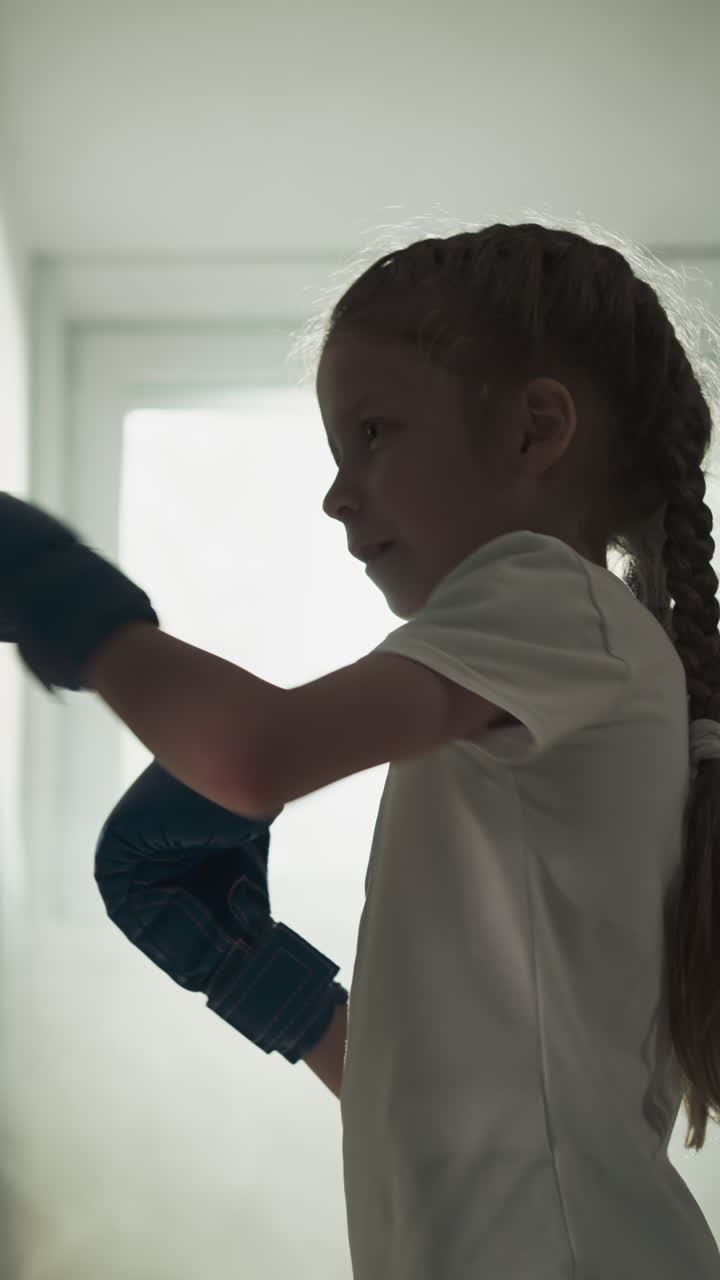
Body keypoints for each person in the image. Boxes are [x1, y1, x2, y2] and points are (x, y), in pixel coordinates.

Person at [3, 218, 720, 1279]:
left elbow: (257, 752)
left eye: (374, 433)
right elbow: (461, 1096)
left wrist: (58, 595)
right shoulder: (571, 656)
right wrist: (264, 981)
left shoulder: (552, 593)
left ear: (534, 430)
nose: (339, 494)